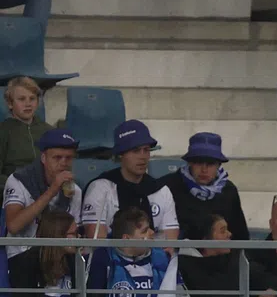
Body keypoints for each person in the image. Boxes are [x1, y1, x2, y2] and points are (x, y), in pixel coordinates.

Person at [80, 120, 179, 242]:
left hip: (154, 260)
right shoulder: (101, 188)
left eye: (146, 150)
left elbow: (170, 242)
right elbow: (97, 241)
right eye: (136, 150)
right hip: (111, 260)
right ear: (121, 154)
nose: (142, 156)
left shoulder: (161, 190)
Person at [5, 127, 80, 259]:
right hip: (22, 253)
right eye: (57, 157)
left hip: (58, 256)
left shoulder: (74, 190)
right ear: (44, 158)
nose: (63, 163)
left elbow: (72, 231)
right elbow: (13, 226)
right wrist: (52, 190)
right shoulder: (19, 180)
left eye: (68, 158)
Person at [163, 132, 248, 244]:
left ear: (218, 165)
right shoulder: (168, 187)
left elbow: (240, 235)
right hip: (179, 257)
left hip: (221, 258)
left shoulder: (228, 190)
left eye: (210, 163)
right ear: (190, 163)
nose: (204, 169)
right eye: (199, 162)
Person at [0, 76, 49, 181]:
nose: (28, 104)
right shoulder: (3, 132)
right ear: (10, 103)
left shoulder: (49, 131)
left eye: (32, 98)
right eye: (21, 99)